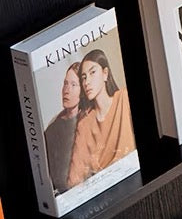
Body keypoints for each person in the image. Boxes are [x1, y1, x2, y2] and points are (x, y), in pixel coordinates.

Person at [66, 49, 135, 188]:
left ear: (105, 74)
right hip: (105, 189)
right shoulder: (84, 123)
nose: (87, 82)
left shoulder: (124, 98)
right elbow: (74, 179)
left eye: (92, 73)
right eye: (84, 77)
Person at [44, 63, 81, 194]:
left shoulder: (90, 119)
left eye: (73, 85)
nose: (67, 90)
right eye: (65, 83)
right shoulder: (52, 130)